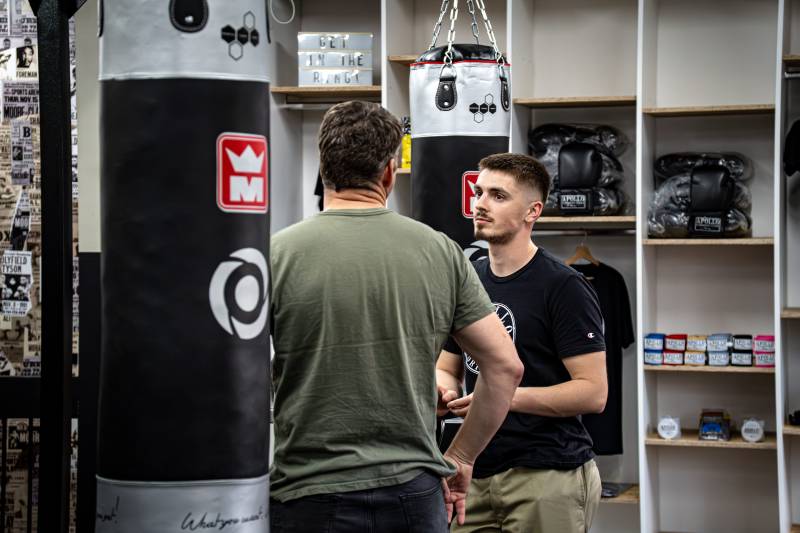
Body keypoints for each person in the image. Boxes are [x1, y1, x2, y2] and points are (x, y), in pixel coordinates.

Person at [269, 101, 523, 532]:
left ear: (323, 168)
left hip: (307, 492)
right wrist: (460, 458)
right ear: (389, 172)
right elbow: (505, 367)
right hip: (414, 493)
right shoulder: (440, 251)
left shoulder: (275, 254)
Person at [437, 153, 608, 533]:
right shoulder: (469, 278)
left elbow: (593, 392)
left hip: (547, 475)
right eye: (479, 192)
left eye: (498, 196)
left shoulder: (563, 286)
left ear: (533, 211)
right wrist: (444, 391)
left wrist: (500, 397)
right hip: (474, 471)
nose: (480, 204)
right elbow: (448, 365)